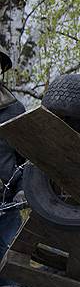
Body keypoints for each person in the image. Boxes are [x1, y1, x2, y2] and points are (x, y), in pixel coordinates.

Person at [0, 46, 25, 269]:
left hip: (5, 206)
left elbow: (25, 158)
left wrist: (22, 189)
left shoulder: (14, 110)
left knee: (11, 263)